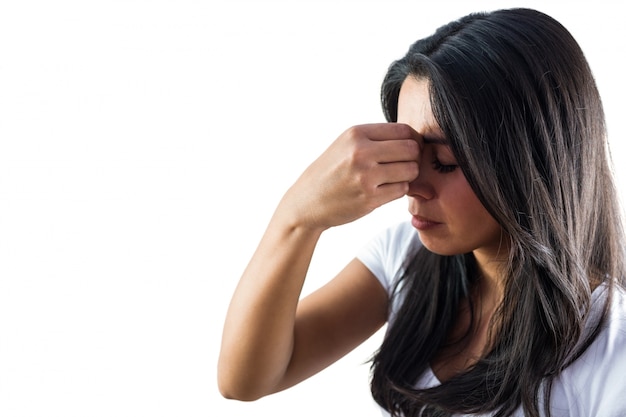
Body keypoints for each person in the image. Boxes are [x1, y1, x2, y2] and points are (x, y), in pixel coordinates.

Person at [217, 8, 626, 416]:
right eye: (407, 154)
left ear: (532, 161)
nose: (412, 186)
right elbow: (245, 380)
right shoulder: (403, 257)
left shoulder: (611, 352)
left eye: (444, 161)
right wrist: (297, 218)